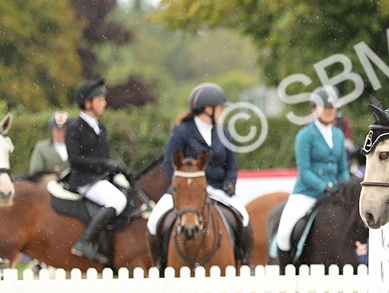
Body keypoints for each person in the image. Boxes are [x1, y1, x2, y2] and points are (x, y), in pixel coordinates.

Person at [147, 83, 252, 270]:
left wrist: (230, 183)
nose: (222, 112)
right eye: (220, 108)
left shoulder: (224, 132)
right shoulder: (182, 132)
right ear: (207, 110)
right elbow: (168, 162)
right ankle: (159, 265)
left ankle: (244, 262)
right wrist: (180, 186)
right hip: (185, 190)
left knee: (243, 217)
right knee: (154, 221)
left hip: (218, 188)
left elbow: (232, 165)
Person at [273, 87, 350, 263]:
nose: (329, 112)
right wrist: (324, 186)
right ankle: (285, 269)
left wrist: (344, 188)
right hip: (307, 193)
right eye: (325, 108)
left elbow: (342, 168)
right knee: (284, 232)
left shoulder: (338, 135)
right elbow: (304, 170)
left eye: (332, 108)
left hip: (335, 192)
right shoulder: (305, 135)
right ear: (314, 109)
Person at [64, 78, 128, 264]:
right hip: (84, 180)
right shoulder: (75, 128)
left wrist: (116, 169)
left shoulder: (101, 128)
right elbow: (75, 159)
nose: (104, 103)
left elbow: (104, 157)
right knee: (117, 200)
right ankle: (85, 241)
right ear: (87, 103)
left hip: (100, 178)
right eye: (100, 100)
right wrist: (104, 164)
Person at [28, 112, 71, 178]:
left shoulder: (77, 146)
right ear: (52, 131)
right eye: (57, 130)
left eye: (63, 131)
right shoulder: (41, 148)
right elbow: (35, 171)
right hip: (49, 185)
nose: (60, 134)